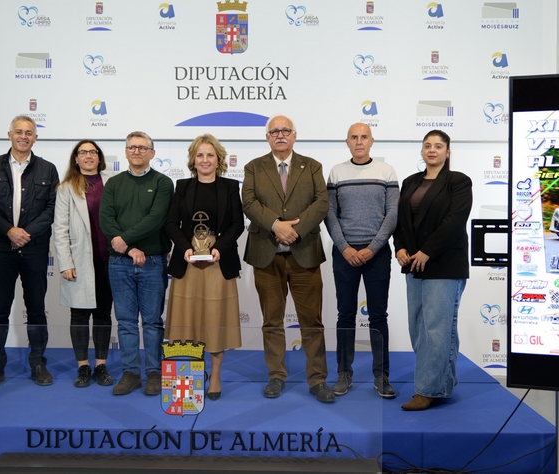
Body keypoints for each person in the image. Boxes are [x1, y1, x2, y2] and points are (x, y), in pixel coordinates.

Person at [242, 115, 334, 404]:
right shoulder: (254, 167)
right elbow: (248, 202)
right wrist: (275, 225)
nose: (280, 135)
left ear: (294, 135)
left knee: (312, 322)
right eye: (274, 131)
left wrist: (294, 229)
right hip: (266, 255)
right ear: (267, 137)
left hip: (304, 253)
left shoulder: (313, 165)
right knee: (271, 321)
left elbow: (322, 203)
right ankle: (276, 376)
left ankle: (317, 379)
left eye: (285, 131)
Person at [394, 130, 472, 411]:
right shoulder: (410, 182)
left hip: (444, 264)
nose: (432, 150)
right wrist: (400, 248)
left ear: (447, 152)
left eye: (438, 146)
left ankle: (428, 390)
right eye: (428, 145)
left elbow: (454, 221)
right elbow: (401, 221)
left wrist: (428, 251)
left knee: (437, 329)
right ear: (422, 151)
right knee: (419, 328)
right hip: (413, 263)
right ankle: (442, 383)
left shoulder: (458, 182)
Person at [0, 115, 59, 390]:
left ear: (35, 137)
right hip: (1, 246)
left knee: (36, 308)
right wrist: (10, 232)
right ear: (9, 134)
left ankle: (38, 363)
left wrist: (25, 234)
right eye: (19, 132)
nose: (23, 136)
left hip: (35, 247)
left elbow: (51, 209)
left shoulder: (48, 169)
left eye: (29, 132)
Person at [164, 134, 243, 401]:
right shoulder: (182, 186)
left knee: (215, 321)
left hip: (218, 263)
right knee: (188, 321)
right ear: (193, 160)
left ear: (219, 159)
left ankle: (216, 374)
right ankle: (193, 374)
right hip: (187, 262)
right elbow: (172, 223)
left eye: (210, 155)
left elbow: (237, 224)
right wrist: (185, 246)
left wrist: (219, 248)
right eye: (200, 155)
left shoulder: (231, 186)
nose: (205, 160)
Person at [324, 123, 399, 399]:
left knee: (378, 316)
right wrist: (345, 248)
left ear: (372, 141)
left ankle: (382, 376)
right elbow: (330, 214)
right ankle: (344, 373)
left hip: (377, 254)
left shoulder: (386, 171)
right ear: (347, 142)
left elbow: (392, 214)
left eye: (363, 137)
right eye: (354, 137)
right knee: (345, 314)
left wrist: (373, 248)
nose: (359, 141)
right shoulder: (336, 172)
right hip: (345, 254)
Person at [99, 131, 174, 396]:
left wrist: (125, 240)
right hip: (120, 262)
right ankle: (130, 373)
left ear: (152, 153)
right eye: (132, 147)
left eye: (143, 148)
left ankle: (154, 373)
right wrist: (129, 248)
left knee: (153, 322)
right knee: (127, 321)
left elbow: (156, 218)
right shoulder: (114, 183)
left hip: (152, 261)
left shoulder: (164, 183)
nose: (137, 151)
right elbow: (106, 218)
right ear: (126, 151)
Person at [52, 140, 114, 388]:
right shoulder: (66, 187)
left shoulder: (112, 182)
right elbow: (60, 229)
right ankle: (82, 367)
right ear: (76, 158)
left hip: (109, 260)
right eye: (83, 152)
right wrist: (65, 263)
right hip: (78, 262)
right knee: (78, 315)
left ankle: (100, 365)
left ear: (99, 157)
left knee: (102, 314)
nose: (88, 156)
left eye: (93, 152)